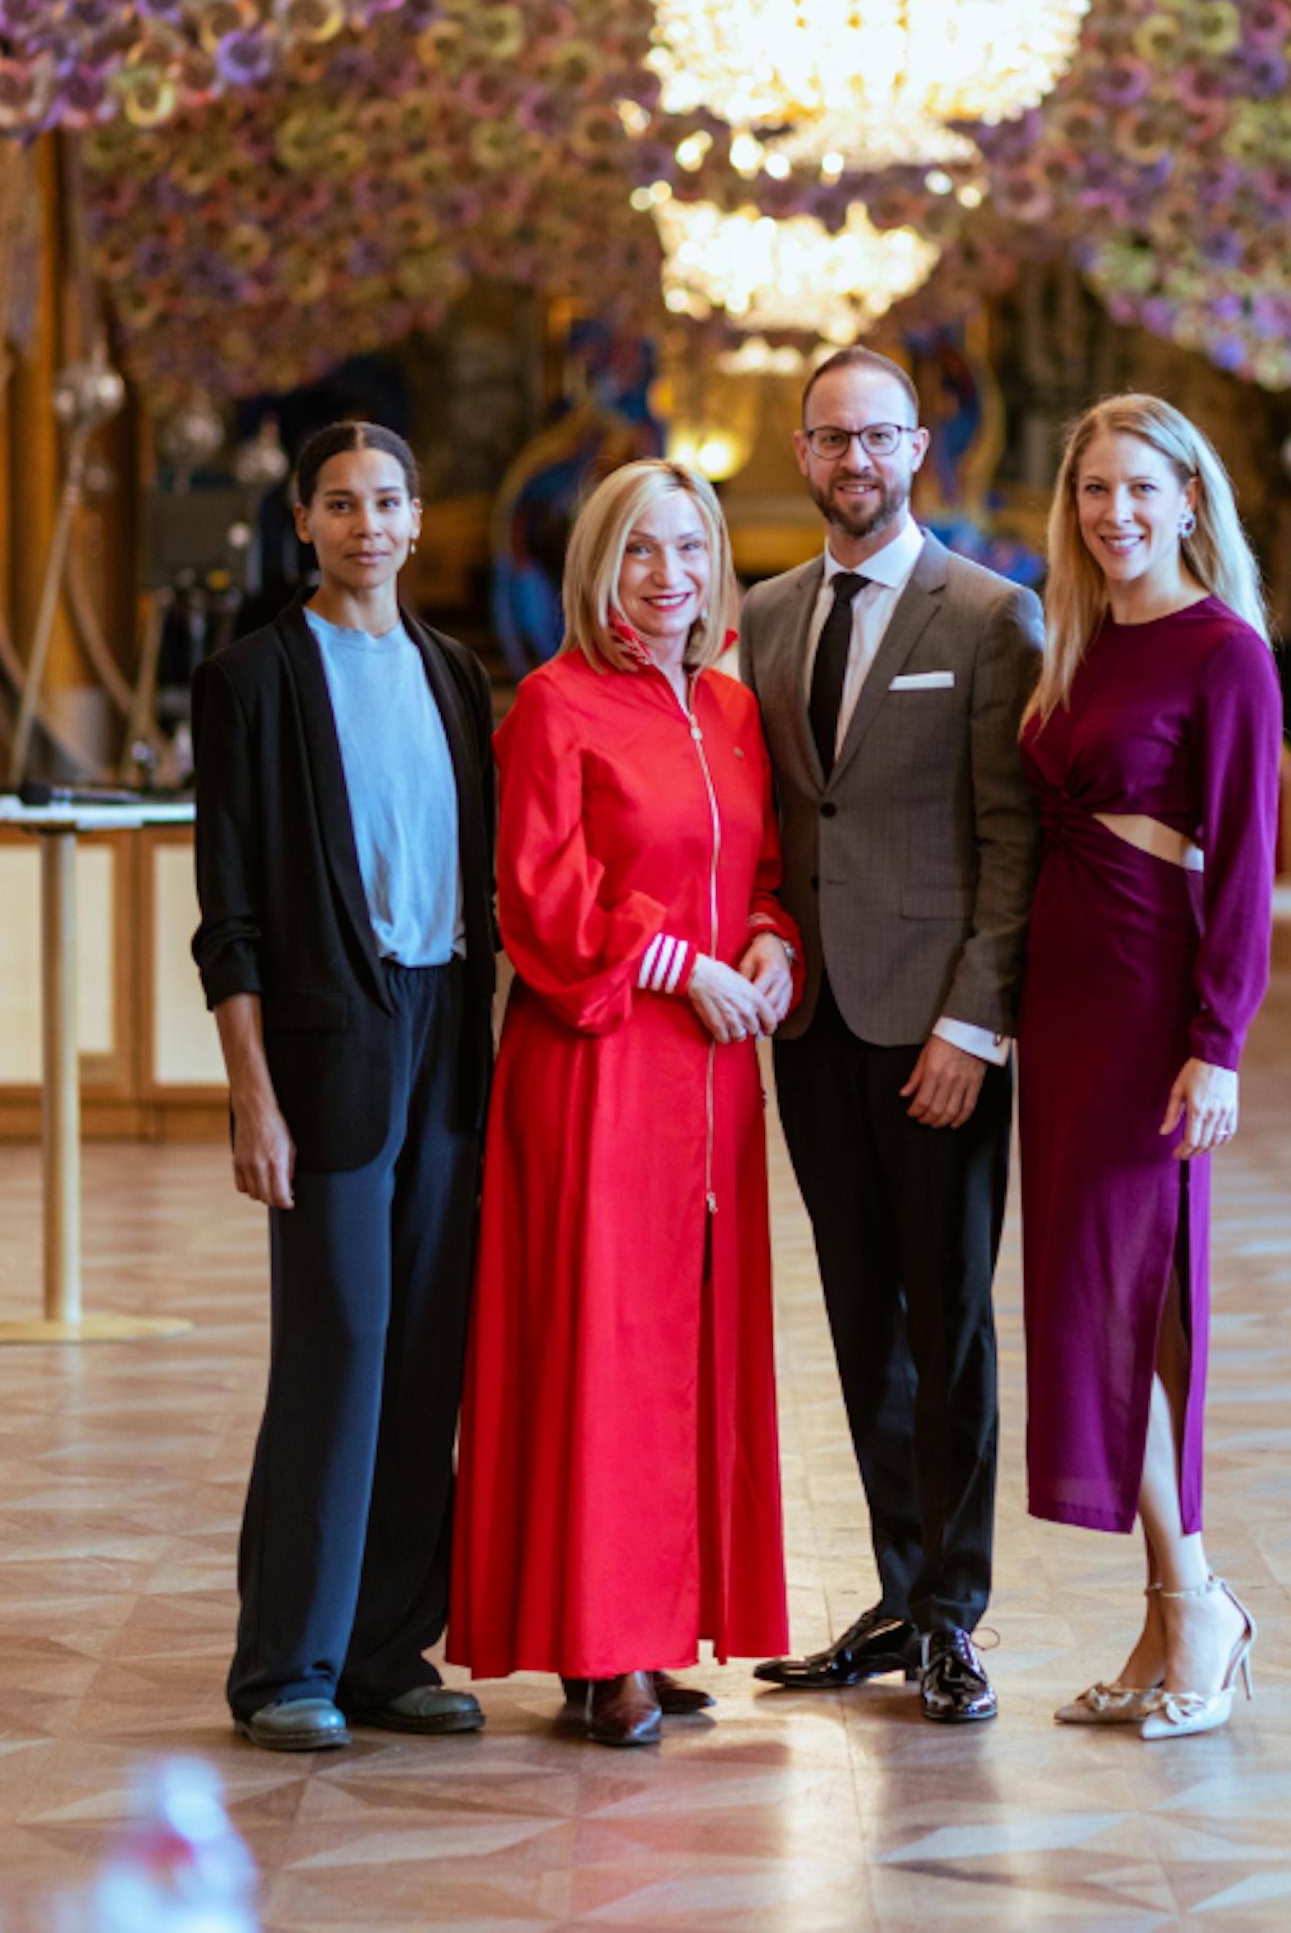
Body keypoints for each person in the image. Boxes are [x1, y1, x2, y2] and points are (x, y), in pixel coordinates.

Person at [450, 459, 800, 1748]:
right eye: (643, 552)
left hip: (713, 1073)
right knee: (604, 1354)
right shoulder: (553, 704)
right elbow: (540, 904)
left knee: (692, 1349)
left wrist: (769, 946)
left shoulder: (729, 707)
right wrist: (686, 963)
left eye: (692, 550)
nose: (671, 577)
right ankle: (600, 1656)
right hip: (598, 1065)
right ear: (600, 562)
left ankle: (659, 1624)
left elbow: (760, 868)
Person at [738, 347, 1042, 1724]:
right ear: (802, 455)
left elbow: (1010, 840)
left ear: (918, 448)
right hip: (813, 1034)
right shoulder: (761, 619)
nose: (854, 463)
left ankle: (954, 1618)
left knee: (950, 1324)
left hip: (939, 1037)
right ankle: (896, 1588)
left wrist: (974, 1025)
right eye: (829, 441)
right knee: (863, 1321)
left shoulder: (992, 616)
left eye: (878, 439)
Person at [191, 420, 495, 1753]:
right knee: (340, 1345)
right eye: (340, 504)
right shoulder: (253, 680)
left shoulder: (456, 674)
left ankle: (385, 1650)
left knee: (428, 1347)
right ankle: (285, 1668)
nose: (367, 525)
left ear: (419, 521)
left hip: (447, 1041)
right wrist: (252, 1094)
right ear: (303, 524)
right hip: (330, 1049)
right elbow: (231, 916)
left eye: (389, 502)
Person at [1017, 393, 1281, 1742]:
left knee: (1138, 1298)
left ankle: (1202, 1606)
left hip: (1146, 1006)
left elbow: (1243, 864)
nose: (1112, 514)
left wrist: (1217, 1042)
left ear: (1190, 498)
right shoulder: (1071, 640)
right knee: (1086, 1299)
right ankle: (1162, 1613)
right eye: (1091, 491)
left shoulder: (1224, 653)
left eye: (1139, 489)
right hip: (1059, 1006)